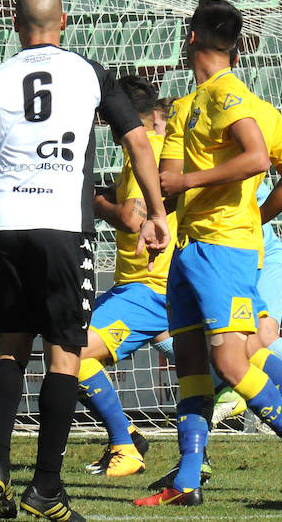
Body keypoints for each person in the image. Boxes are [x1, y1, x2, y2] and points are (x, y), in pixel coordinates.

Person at [0, 0, 170, 522]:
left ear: (15, 26)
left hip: (3, 226)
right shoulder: (89, 73)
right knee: (64, 354)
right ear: (62, 22)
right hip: (65, 225)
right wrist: (157, 213)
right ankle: (45, 487)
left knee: (11, 346)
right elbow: (138, 143)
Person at [135, 0, 282, 508]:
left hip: (224, 248)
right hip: (187, 247)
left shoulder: (229, 94)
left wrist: (208, 193)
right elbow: (169, 180)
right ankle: (186, 480)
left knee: (232, 362)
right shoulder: (183, 106)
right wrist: (159, 218)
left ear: (193, 37)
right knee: (193, 368)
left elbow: (257, 157)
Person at [77, 75, 175, 477]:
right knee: (61, 348)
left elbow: (135, 219)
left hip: (150, 289)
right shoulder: (148, 150)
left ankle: (125, 444)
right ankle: (129, 436)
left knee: (73, 353)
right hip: (141, 287)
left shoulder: (143, 152)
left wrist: (94, 200)